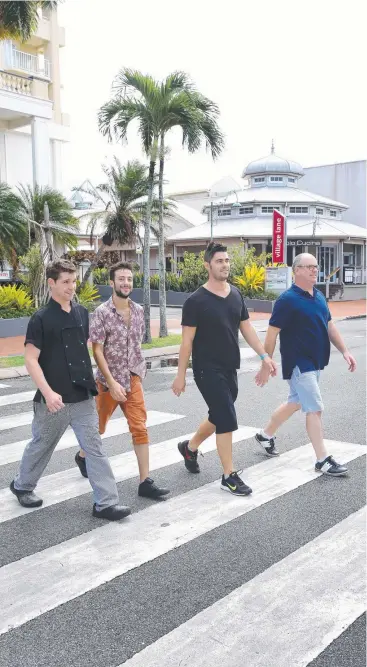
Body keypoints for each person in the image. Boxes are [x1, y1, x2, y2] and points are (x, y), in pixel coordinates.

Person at [10, 259, 131, 521]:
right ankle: (22, 485)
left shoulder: (80, 313)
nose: (71, 287)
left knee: (94, 446)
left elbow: (84, 350)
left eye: (74, 281)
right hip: (53, 399)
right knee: (42, 445)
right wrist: (48, 392)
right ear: (51, 283)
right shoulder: (40, 318)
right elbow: (30, 360)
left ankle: (105, 503)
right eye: (65, 282)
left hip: (82, 395)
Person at [171, 242, 277, 496]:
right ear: (208, 265)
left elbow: (247, 328)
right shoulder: (195, 301)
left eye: (227, 260)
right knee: (227, 418)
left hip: (230, 366)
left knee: (219, 415)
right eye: (219, 261)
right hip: (207, 369)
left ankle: (190, 447)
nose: (225, 265)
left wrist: (264, 355)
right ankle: (229, 475)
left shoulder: (236, 294)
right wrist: (180, 375)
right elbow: (187, 341)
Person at [255, 253, 357, 475]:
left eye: (316, 266)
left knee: (296, 402)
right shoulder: (287, 300)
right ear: (297, 270)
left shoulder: (319, 296)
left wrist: (345, 351)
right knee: (315, 408)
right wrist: (266, 361)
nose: (314, 270)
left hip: (316, 360)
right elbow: (272, 334)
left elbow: (329, 325)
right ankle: (322, 459)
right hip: (299, 362)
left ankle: (265, 435)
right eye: (309, 266)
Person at [75, 261, 170, 500]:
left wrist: (137, 374)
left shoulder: (138, 310)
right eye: (121, 279)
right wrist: (111, 381)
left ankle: (145, 482)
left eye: (129, 278)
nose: (126, 282)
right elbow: (97, 351)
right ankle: (82, 456)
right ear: (112, 283)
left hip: (133, 379)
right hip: (107, 383)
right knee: (98, 428)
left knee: (140, 427)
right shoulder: (101, 313)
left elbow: (135, 345)